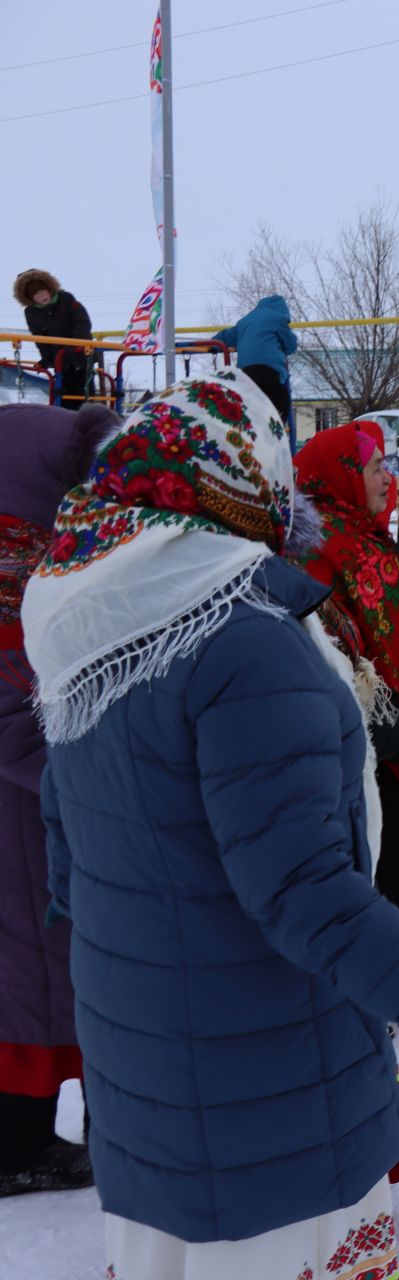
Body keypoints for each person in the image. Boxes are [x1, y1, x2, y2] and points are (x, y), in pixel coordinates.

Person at [23, 370, 399, 1277]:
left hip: (146, 1039)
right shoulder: (242, 642)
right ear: (243, 481)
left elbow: (65, 825)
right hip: (261, 1063)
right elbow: (300, 886)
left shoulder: (97, 620)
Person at [0, 401, 115, 1198]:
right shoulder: (11, 571)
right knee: (30, 982)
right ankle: (17, 1148)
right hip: (19, 814)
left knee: (39, 976)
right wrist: (97, 782)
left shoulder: (35, 555)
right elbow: (13, 718)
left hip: (35, 810)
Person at [292, 420, 399, 912]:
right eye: (375, 467)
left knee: (396, 893)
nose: (388, 477)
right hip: (371, 745)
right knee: (375, 888)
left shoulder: (365, 533)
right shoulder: (317, 548)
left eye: (386, 465)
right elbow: (329, 652)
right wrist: (398, 722)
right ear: (341, 474)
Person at [11, 270, 95, 410]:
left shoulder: (66, 299)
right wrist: (46, 359)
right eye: (36, 294)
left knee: (85, 392)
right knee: (63, 395)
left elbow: (82, 321)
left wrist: (78, 342)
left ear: (50, 288)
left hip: (81, 354)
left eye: (43, 290)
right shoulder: (31, 313)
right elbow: (40, 338)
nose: (42, 295)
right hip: (60, 359)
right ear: (29, 298)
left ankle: (91, 420)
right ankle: (67, 424)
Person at [210, 294, 298, 426]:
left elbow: (226, 336)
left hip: (247, 372)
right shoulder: (278, 319)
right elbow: (291, 346)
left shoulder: (244, 322)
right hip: (269, 370)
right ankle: (279, 426)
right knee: (282, 398)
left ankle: (252, 425)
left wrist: (212, 345)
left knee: (252, 400)